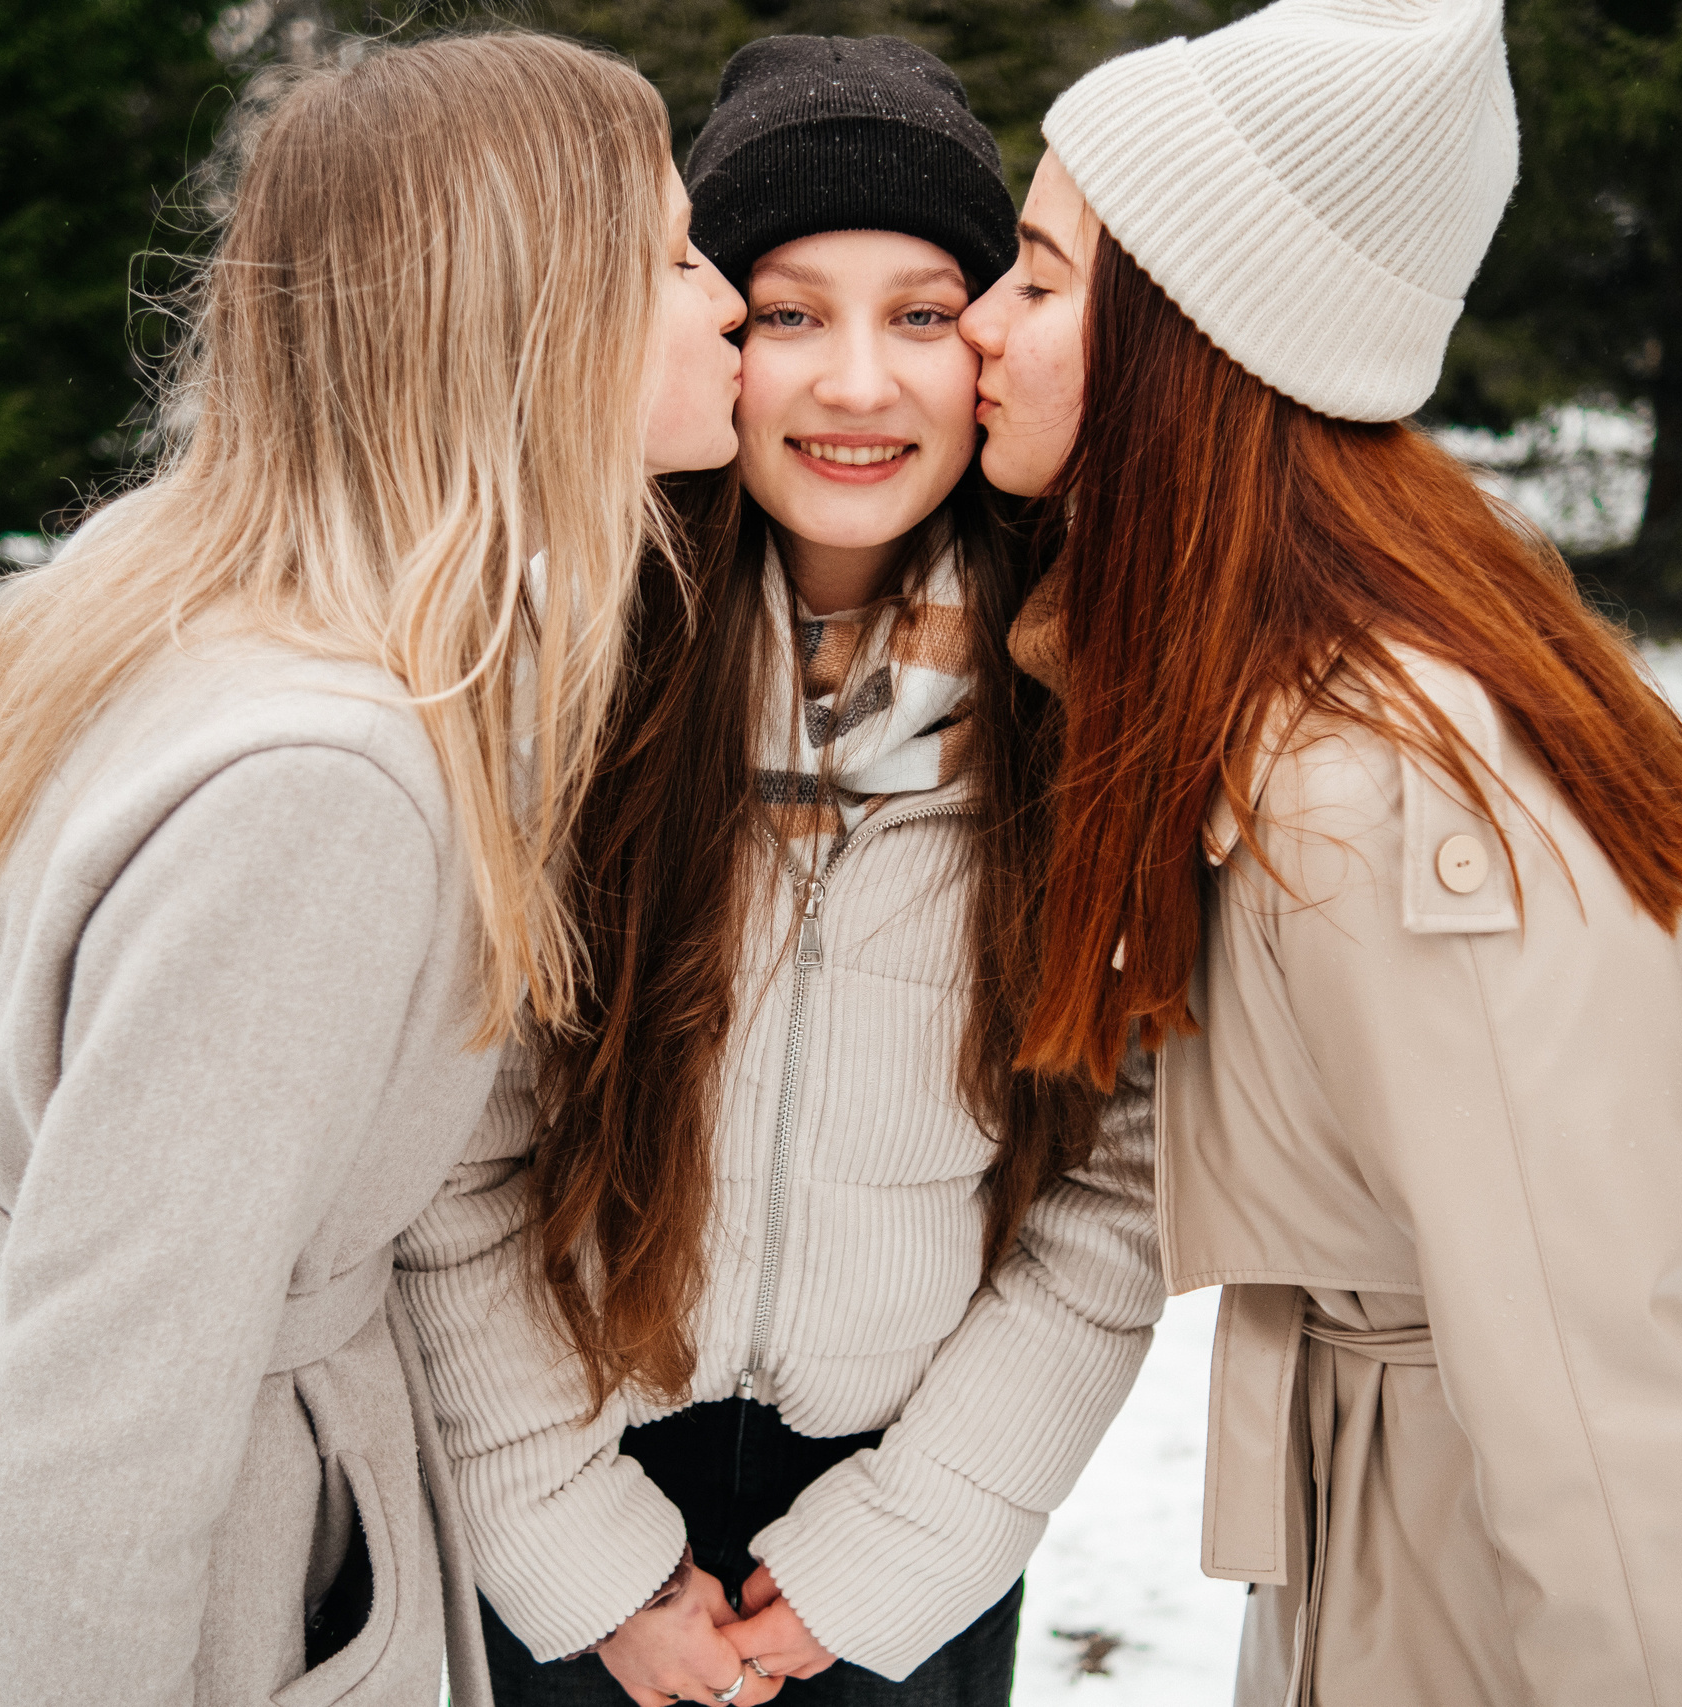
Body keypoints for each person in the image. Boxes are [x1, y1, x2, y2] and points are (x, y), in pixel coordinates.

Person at [958, 2, 1682, 1703]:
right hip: (1423, 1506)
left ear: (1193, 347)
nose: (984, 326)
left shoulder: (1387, 789)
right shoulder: (1298, 652)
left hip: (1571, 1566)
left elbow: (1602, 1415)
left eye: (1044, 280)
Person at [0, 33, 747, 1707]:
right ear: (534, 320)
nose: (726, 302)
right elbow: (118, 1382)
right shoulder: (329, 784)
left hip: (12, 1404)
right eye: (674, 257)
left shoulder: (178, 570)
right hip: (173, 1542)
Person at [398, 36, 1163, 1707]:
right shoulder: (555, 679)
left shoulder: (1089, 701)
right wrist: (573, 1544)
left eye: (923, 312)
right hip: (570, 1490)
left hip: (908, 1513)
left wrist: (912, 1538)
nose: (857, 387)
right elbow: (452, 1154)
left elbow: (1120, 1186)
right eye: (787, 313)